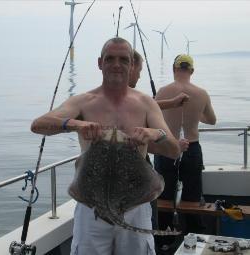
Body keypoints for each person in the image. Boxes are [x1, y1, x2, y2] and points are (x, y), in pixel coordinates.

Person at [31, 37, 181, 255]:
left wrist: (154, 133)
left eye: (123, 59)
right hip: (92, 206)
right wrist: (75, 124)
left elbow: (174, 149)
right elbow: (38, 125)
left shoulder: (146, 103)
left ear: (131, 65)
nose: (116, 64)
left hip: (134, 205)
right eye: (110, 58)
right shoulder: (83, 101)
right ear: (100, 63)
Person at [154, 54, 216, 252]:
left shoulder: (163, 91)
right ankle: (194, 241)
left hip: (166, 148)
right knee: (192, 197)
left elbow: (151, 118)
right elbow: (212, 120)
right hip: (192, 148)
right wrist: (196, 115)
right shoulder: (202, 93)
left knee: (164, 196)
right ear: (192, 71)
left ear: (174, 68)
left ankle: (163, 241)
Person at [129, 50, 190, 231]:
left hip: (138, 168)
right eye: (139, 71)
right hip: (138, 171)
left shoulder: (136, 98)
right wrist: (172, 144)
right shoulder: (131, 99)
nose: (139, 76)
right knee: (149, 217)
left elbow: (147, 103)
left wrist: (171, 102)